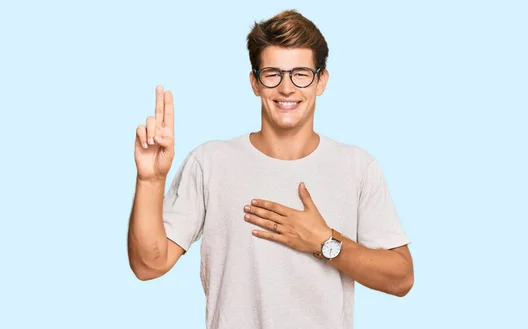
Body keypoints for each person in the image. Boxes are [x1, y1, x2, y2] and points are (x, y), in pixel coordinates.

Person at [127, 9, 414, 329]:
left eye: (301, 73)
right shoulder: (210, 162)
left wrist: (325, 242)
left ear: (321, 81)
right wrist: (150, 179)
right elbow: (148, 265)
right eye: (273, 73)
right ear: (255, 82)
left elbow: (400, 277)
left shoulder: (358, 167)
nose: (286, 88)